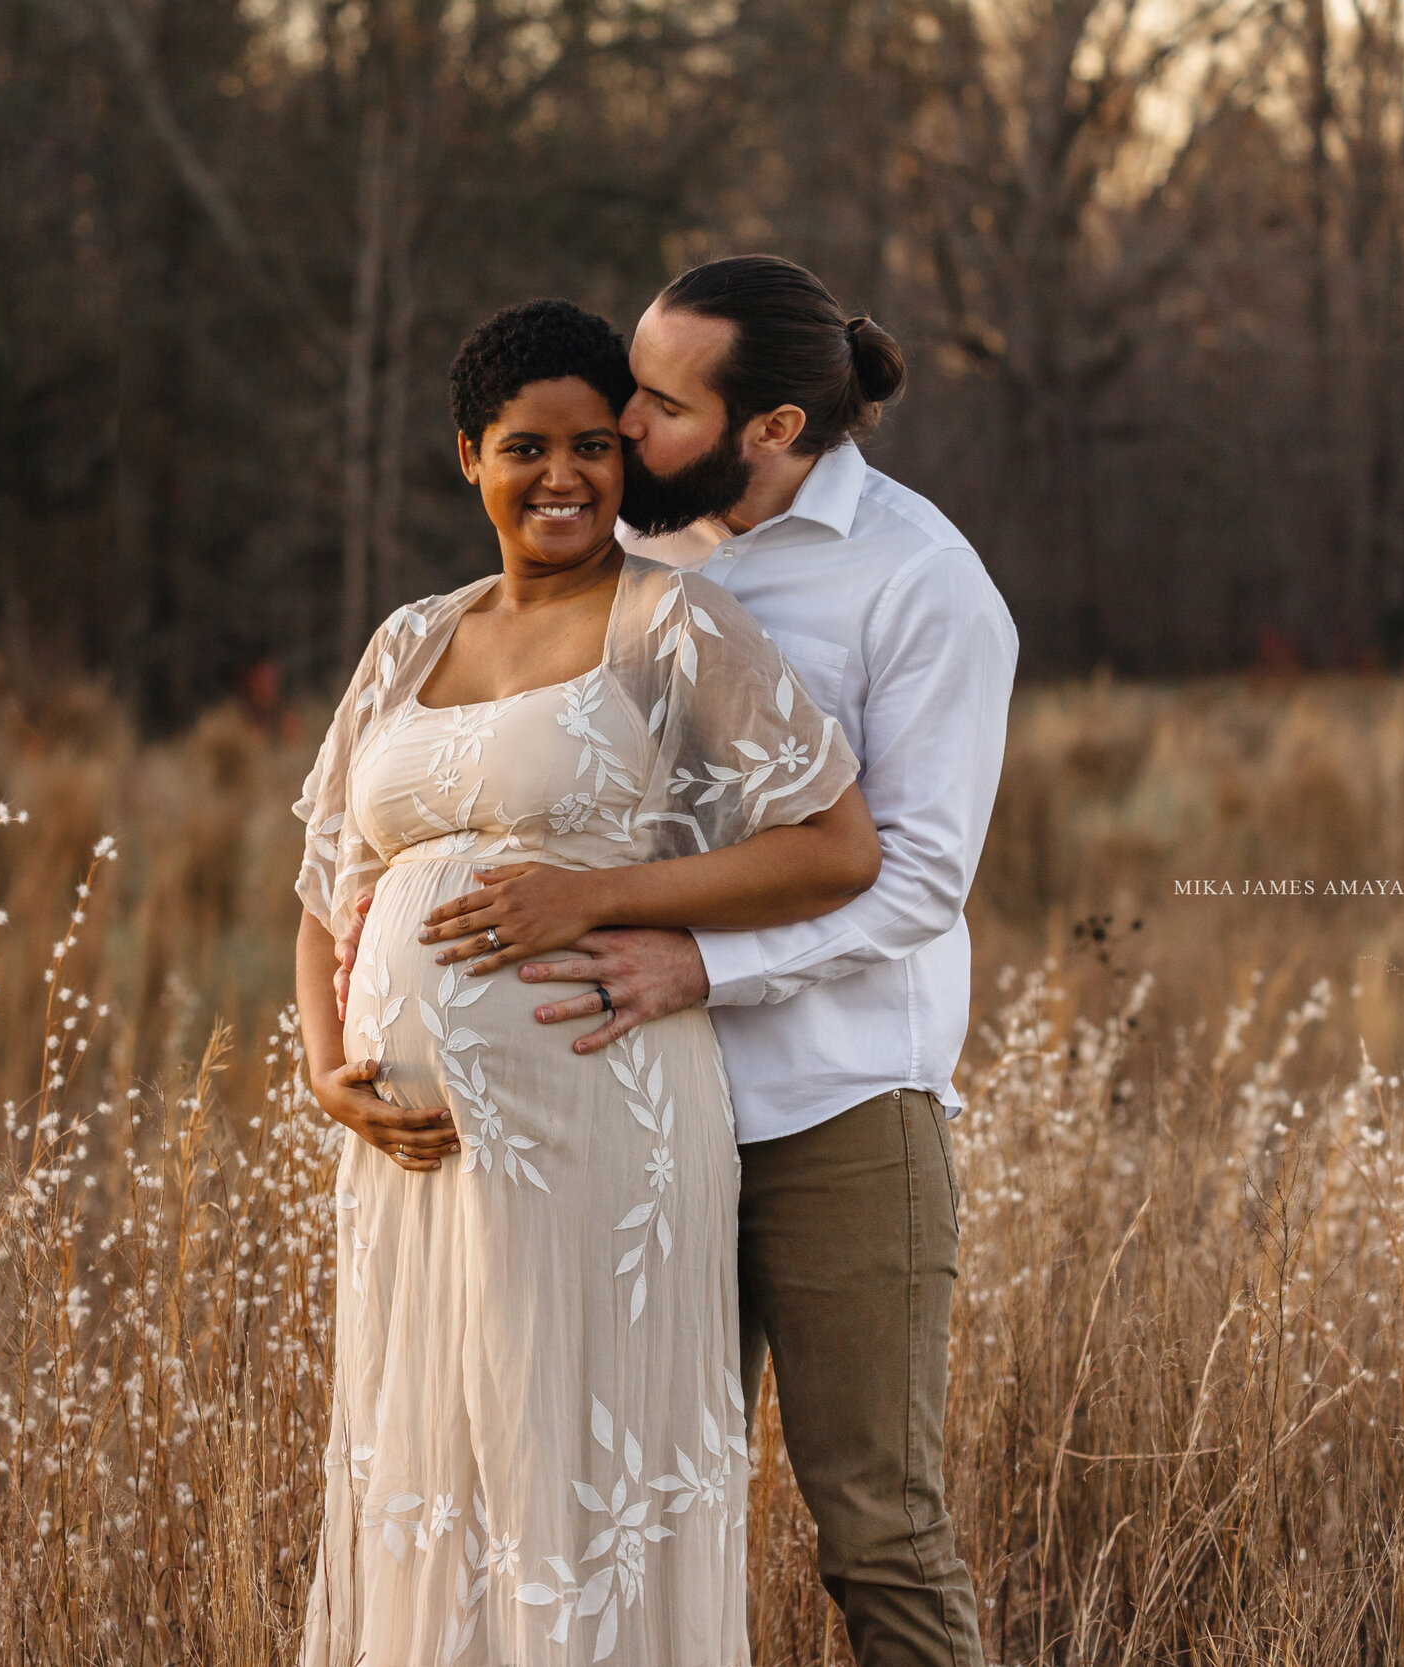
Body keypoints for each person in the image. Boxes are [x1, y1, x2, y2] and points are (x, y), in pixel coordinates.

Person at [341, 256, 1018, 1667]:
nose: (619, 431)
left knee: (876, 1532)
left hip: (832, 1112)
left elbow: (916, 880)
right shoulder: (658, 552)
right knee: (609, 1507)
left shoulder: (924, 585)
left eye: (651, 405)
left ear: (770, 427)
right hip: (626, 1124)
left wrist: (692, 966)